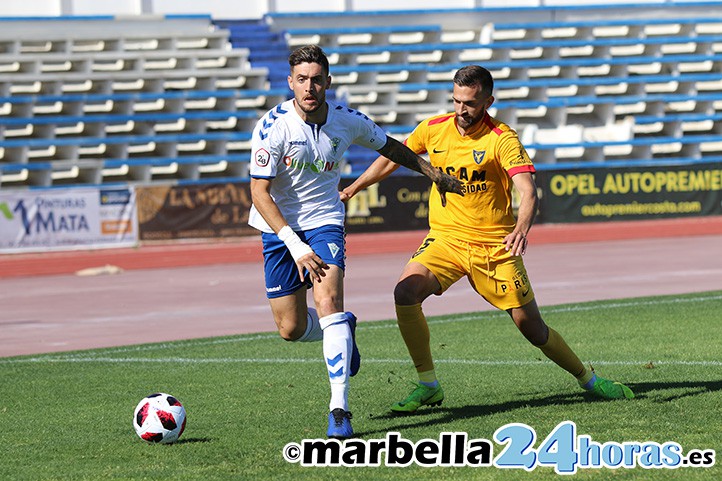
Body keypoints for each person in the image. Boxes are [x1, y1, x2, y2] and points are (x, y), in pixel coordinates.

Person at [340, 65, 634, 414]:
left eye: (470, 103)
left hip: (495, 246)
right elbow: (395, 158)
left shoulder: (501, 139)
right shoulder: (433, 129)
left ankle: (589, 379)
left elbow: (528, 190)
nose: (461, 110)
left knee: (532, 328)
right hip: (447, 239)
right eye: (456, 101)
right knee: (405, 292)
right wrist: (355, 188)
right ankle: (428, 385)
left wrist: (521, 228)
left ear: (488, 101)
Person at [248, 45, 463, 438]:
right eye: (301, 80)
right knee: (291, 329)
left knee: (327, 303)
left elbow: (392, 147)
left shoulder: (348, 120)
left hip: (325, 221)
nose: (309, 87)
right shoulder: (271, 127)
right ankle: (343, 334)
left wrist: (431, 172)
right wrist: (295, 245)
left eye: (316, 79)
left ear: (327, 82)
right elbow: (259, 193)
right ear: (290, 83)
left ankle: (339, 410)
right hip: (278, 229)